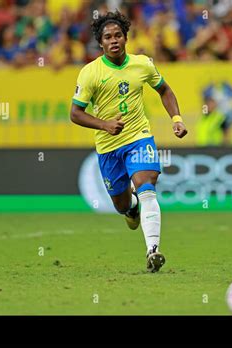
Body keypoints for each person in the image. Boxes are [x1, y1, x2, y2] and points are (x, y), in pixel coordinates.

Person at [70, 10, 187, 272]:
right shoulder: (90, 73)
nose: (114, 40)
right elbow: (75, 113)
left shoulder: (143, 64)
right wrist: (104, 124)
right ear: (100, 43)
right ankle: (131, 208)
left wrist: (176, 118)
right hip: (108, 147)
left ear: (126, 37)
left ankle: (152, 250)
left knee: (146, 186)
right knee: (123, 205)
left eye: (118, 35)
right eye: (108, 37)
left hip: (138, 137)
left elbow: (164, 90)